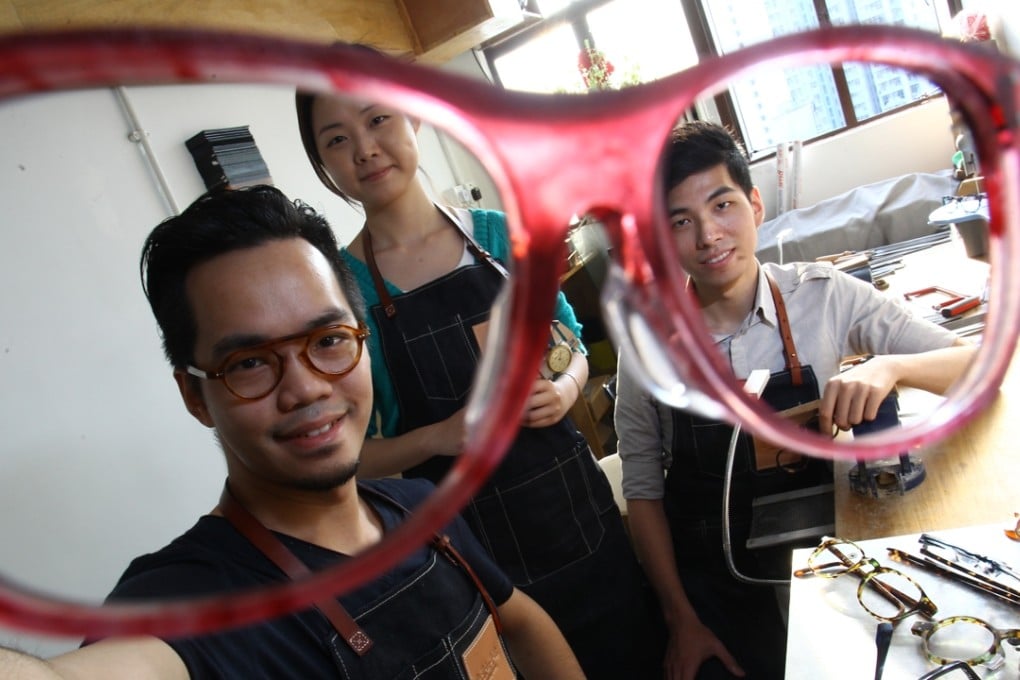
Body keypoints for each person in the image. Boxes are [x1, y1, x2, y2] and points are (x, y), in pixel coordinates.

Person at [0, 185, 585, 679]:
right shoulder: (190, 602)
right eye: (250, 362)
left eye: (328, 340)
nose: (305, 388)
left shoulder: (420, 507)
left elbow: (523, 621)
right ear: (194, 395)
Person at [296, 86, 662, 678]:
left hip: (582, 523)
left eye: (377, 120)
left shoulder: (495, 237)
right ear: (323, 164)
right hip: (476, 565)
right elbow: (351, 460)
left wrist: (565, 390)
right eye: (336, 140)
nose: (364, 149)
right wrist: (438, 437)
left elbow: (572, 347)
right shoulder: (345, 292)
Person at [614, 121, 977, 680]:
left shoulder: (825, 297)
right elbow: (642, 492)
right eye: (681, 222)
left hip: (828, 563)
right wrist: (681, 619)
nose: (708, 236)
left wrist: (890, 366)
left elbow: (975, 366)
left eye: (722, 205)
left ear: (755, 204)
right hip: (711, 585)